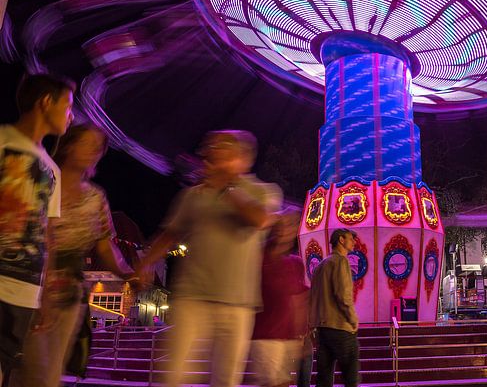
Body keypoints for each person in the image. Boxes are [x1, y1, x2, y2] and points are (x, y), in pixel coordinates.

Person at [137, 130, 281, 387]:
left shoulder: (264, 191)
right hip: (191, 298)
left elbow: (259, 220)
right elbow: (169, 235)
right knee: (171, 375)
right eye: (210, 147)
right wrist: (144, 262)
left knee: (225, 380)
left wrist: (227, 187)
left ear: (243, 158)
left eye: (222, 147)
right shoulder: (192, 196)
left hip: (238, 303)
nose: (211, 151)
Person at [11, 124, 137, 387]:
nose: (95, 150)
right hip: (30, 283)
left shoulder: (95, 197)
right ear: (68, 144)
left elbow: (104, 245)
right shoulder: (42, 182)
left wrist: (126, 272)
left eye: (99, 146)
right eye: (88, 142)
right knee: (30, 364)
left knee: (52, 366)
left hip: (69, 290)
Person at [0, 73, 74, 387]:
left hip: (25, 290)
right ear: (46, 103)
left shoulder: (52, 169)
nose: (71, 116)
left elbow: (47, 233)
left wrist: (44, 295)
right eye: (68, 106)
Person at [251, 210, 308, 387]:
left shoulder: (296, 263)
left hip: (288, 335)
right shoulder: (259, 257)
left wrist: (301, 334)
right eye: (282, 225)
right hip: (265, 334)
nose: (286, 230)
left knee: (284, 382)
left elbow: (300, 300)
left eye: (291, 225)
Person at [309, 228, 360, 387]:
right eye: (351, 238)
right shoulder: (341, 261)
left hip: (323, 329)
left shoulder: (320, 266)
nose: (354, 242)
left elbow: (314, 297)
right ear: (341, 240)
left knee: (324, 378)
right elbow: (343, 294)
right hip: (341, 327)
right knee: (351, 377)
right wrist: (353, 319)